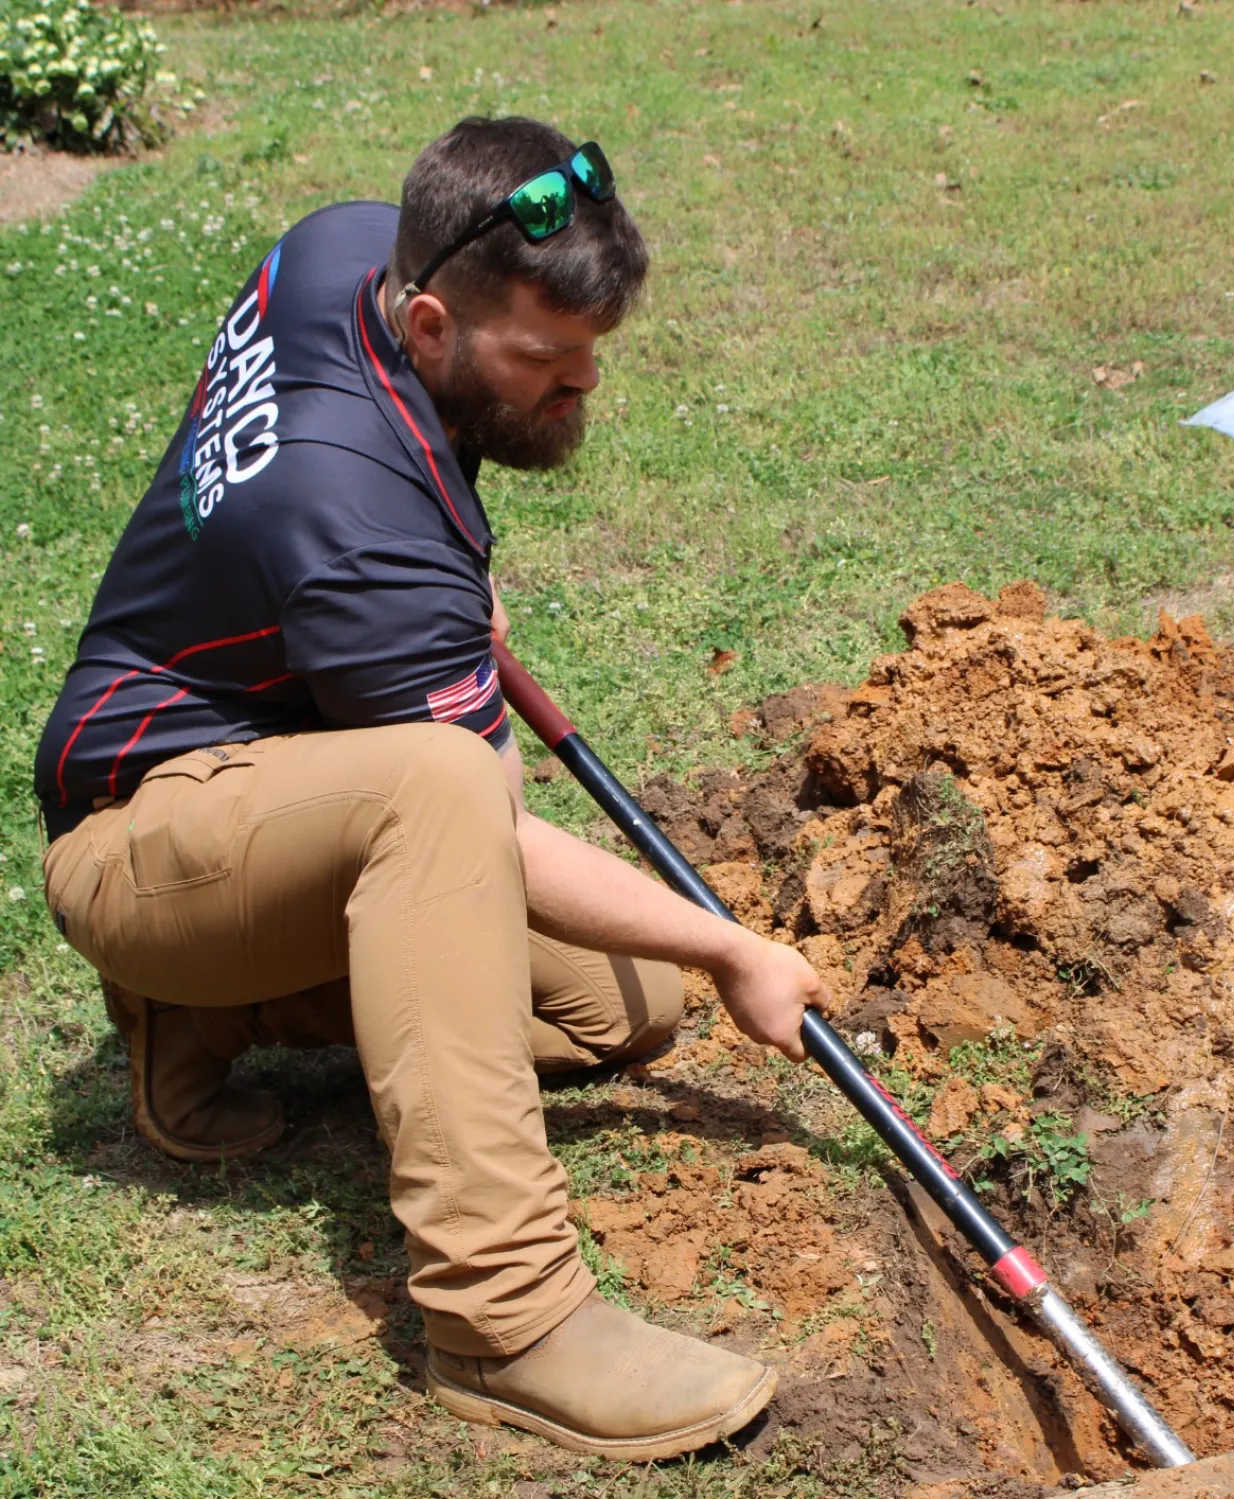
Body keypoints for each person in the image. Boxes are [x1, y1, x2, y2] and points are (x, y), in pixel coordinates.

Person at [33, 115, 830, 1463]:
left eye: (592, 356)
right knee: (446, 789)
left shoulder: (348, 240)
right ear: (427, 324)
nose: (581, 389)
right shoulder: (354, 527)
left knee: (627, 1007)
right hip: (138, 834)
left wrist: (438, 595)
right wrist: (734, 943)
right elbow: (490, 828)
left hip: (277, 786)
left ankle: (211, 1007)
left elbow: (370, 518)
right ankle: (508, 1321)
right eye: (546, 360)